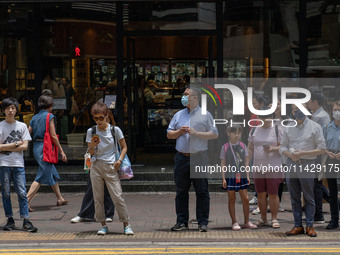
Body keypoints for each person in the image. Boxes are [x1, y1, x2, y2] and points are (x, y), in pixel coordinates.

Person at [167, 86, 218, 232]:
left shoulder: (205, 114)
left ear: (195, 98)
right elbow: (169, 134)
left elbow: (214, 134)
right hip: (182, 157)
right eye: (183, 94)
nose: (183, 96)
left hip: (199, 157)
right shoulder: (178, 115)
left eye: (186, 94)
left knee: (202, 191)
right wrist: (179, 132)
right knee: (181, 191)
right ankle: (182, 221)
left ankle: (203, 222)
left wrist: (197, 133)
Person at [86, 102, 133, 235]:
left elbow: (124, 147)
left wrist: (119, 161)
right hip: (96, 166)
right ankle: (103, 225)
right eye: (95, 118)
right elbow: (90, 153)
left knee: (117, 196)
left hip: (111, 166)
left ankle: (126, 223)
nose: (98, 121)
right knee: (98, 198)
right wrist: (92, 146)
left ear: (107, 116)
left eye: (101, 117)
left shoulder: (115, 130)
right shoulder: (91, 131)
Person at [280, 104, 326, 237]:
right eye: (295, 109)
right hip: (291, 163)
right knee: (294, 197)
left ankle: (310, 226)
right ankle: (298, 225)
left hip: (307, 163)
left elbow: (322, 149)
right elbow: (282, 147)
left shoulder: (315, 126)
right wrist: (291, 155)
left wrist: (302, 153)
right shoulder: (288, 127)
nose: (298, 111)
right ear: (292, 112)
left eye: (301, 109)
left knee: (309, 196)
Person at [0, 98, 37, 232]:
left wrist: (5, 147)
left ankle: (26, 220)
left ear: (16, 109)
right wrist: (16, 144)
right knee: (5, 193)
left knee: (21, 192)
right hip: (3, 164)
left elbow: (26, 146)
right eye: (8, 108)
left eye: (13, 108)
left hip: (18, 164)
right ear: (3, 110)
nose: (10, 111)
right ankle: (10, 219)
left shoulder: (21, 126)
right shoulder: (1, 126)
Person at [26, 95, 68, 211]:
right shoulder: (50, 116)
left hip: (36, 147)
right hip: (46, 147)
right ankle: (25, 201)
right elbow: (53, 136)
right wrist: (61, 151)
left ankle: (60, 198)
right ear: (50, 106)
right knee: (41, 175)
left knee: (51, 171)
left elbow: (28, 133)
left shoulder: (34, 117)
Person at [248, 108, 284, 228]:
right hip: (258, 167)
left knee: (273, 193)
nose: (266, 120)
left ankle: (274, 218)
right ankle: (263, 218)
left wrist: (273, 149)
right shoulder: (254, 130)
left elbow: (283, 147)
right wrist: (247, 164)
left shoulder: (277, 129)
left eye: (268, 117)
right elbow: (250, 148)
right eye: (263, 117)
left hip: (273, 167)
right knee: (261, 194)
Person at [220, 125, 257, 231]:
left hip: (241, 175)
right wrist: (223, 178)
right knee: (231, 198)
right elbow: (223, 163)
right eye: (234, 133)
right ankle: (234, 222)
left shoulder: (243, 145)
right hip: (230, 176)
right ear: (228, 133)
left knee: (245, 199)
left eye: (238, 133)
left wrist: (248, 175)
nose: (237, 135)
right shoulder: (225, 147)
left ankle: (246, 221)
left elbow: (246, 161)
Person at [307, 91, 331, 224]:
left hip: (318, 154)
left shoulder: (321, 117)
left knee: (317, 183)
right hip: (316, 153)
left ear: (315, 102)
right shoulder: (317, 115)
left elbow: (321, 137)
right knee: (316, 183)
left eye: (309, 101)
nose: (307, 103)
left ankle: (319, 214)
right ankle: (317, 213)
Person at [323, 100, 340, 230]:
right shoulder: (327, 126)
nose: (337, 111)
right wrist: (327, 152)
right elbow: (322, 144)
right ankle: (334, 220)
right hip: (331, 160)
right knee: (332, 192)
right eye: (335, 109)